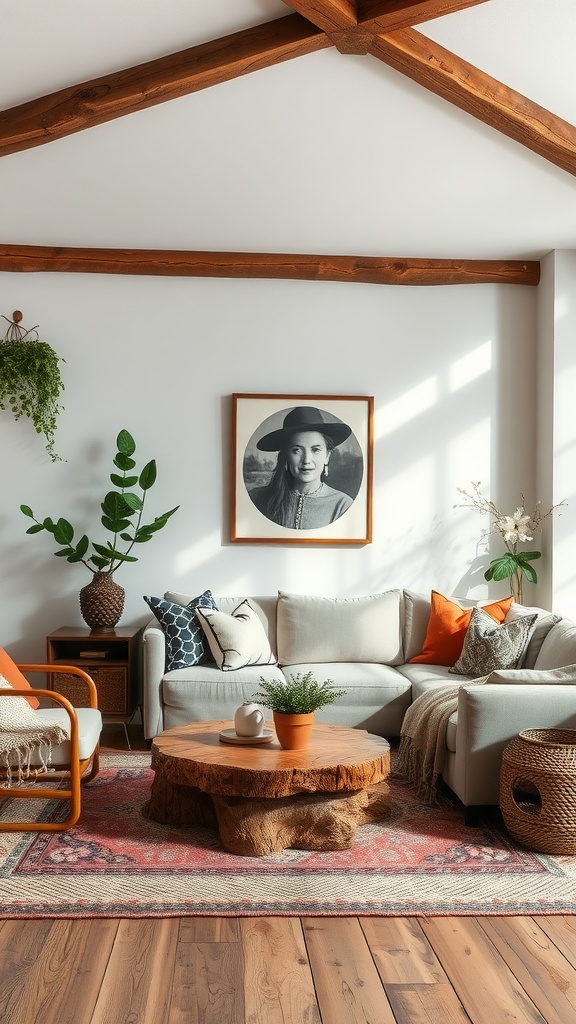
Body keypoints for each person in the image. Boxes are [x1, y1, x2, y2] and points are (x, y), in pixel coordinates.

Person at [247, 406, 355, 530]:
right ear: (286, 455)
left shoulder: (342, 505)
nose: (306, 460)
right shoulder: (256, 498)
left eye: (315, 450)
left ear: (327, 456)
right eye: (296, 450)